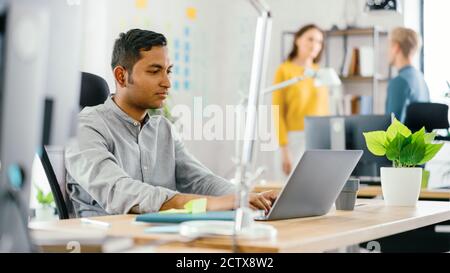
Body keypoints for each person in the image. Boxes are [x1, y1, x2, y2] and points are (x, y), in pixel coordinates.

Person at [65, 29, 278, 217]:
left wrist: (246, 196)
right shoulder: (85, 127)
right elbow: (119, 190)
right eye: (154, 71)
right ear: (121, 76)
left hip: (156, 239)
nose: (167, 82)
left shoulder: (163, 128)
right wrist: (210, 204)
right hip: (106, 243)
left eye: (168, 71)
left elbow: (200, 180)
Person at [272, 24, 329, 176]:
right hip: (293, 140)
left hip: (318, 139)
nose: (314, 45)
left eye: (319, 41)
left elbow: (325, 110)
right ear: (297, 40)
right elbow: (277, 112)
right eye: (310, 39)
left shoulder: (320, 73)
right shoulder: (284, 70)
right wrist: (284, 149)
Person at [386, 27, 430, 122]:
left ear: (396, 47)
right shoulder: (421, 79)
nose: (387, 51)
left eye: (389, 46)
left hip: (405, 137)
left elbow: (392, 127)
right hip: (421, 137)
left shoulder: (399, 82)